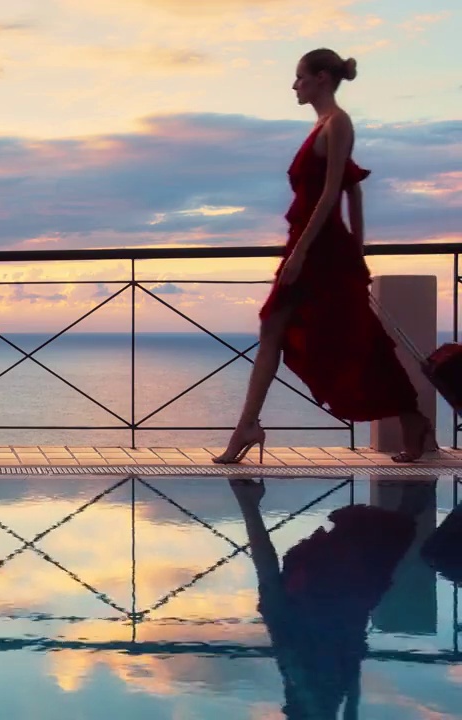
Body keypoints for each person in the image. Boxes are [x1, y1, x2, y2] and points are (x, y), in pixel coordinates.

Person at [214, 48, 434, 464]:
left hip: (319, 250)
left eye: (299, 77)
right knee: (277, 328)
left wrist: (311, 252)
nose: (294, 85)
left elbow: (334, 191)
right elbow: (353, 188)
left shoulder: (338, 122)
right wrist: (358, 246)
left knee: (352, 335)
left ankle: (411, 416)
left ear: (319, 78)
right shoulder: (323, 126)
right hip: (316, 245)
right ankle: (248, 424)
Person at [228, 478, 422, 718]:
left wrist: (351, 704)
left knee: (396, 535)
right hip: (319, 613)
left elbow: (345, 679)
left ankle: (421, 476)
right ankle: (247, 503)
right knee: (396, 535)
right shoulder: (301, 675)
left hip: (329, 611)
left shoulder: (310, 679)